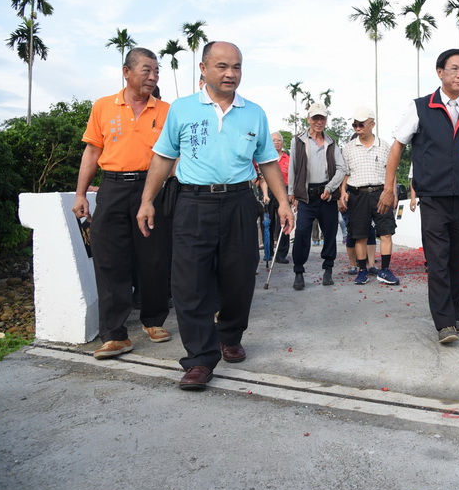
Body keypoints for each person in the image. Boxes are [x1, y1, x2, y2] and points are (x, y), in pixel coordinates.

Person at [136, 41, 292, 390]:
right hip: (192, 202)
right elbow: (163, 157)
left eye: (236, 67)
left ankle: (230, 335)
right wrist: (147, 200)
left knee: (239, 277)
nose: (230, 73)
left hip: (239, 201)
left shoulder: (254, 113)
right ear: (204, 69)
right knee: (189, 283)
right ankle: (199, 359)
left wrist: (283, 202)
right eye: (222, 66)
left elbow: (267, 161)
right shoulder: (182, 109)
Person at [379, 48, 459, 344]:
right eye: (454, 68)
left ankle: (453, 314)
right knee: (438, 259)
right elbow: (398, 146)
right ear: (440, 72)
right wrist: (389, 186)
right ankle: (443, 322)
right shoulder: (421, 107)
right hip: (433, 198)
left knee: (457, 261)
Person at [73, 47, 172, 359]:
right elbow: (92, 151)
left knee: (154, 257)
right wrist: (80, 194)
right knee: (108, 259)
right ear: (126, 72)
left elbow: (174, 155)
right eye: (146, 70)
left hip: (152, 187)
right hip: (113, 187)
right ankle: (115, 335)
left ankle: (153, 320)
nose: (153, 76)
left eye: (156, 71)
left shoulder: (166, 110)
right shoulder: (103, 106)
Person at [339, 106, 399, 285]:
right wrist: (342, 193)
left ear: (372, 124)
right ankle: (362, 271)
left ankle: (385, 270)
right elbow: (345, 173)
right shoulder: (348, 148)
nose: (357, 128)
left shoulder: (384, 146)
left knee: (386, 232)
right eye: (355, 125)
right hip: (358, 195)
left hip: (381, 193)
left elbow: (391, 171)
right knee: (360, 235)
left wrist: (393, 193)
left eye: (361, 124)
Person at [288, 103, 345, 290]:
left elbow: (341, 168)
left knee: (329, 232)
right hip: (306, 195)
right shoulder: (298, 141)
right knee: (302, 232)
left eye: (322, 118)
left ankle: (328, 268)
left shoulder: (331, 142)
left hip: (326, 195)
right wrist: (291, 192)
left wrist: (330, 187)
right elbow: (293, 168)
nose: (319, 122)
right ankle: (298, 271)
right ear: (309, 119)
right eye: (315, 118)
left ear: (326, 120)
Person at [269, 132, 291, 263]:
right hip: (269, 191)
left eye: (278, 140)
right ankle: (269, 251)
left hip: (285, 190)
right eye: (273, 140)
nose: (276, 143)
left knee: (284, 223)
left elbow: (293, 177)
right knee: (268, 222)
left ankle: (281, 253)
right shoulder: (266, 158)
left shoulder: (288, 159)